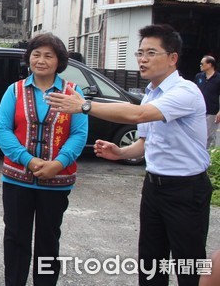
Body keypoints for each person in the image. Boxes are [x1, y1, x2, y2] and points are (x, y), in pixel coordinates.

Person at [47, 24, 212, 286]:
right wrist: (121, 151)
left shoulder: (185, 92)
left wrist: (84, 106)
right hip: (154, 187)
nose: (142, 59)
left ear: (172, 58)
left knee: (187, 263)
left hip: (186, 189)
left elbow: (139, 115)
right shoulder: (151, 93)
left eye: (151, 53)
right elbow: (146, 142)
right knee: (150, 260)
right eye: (139, 53)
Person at [0, 33, 88, 285]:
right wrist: (28, 160)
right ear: (29, 58)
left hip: (57, 181)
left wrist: (58, 163)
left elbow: (79, 133)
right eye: (36, 54)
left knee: (48, 238)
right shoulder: (14, 91)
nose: (41, 60)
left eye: (49, 55)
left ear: (59, 61)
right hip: (17, 179)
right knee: (15, 237)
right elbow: (2, 130)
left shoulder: (73, 92)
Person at [195, 55, 220, 149]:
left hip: (211, 111)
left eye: (202, 63)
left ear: (210, 64)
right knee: (197, 135)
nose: (200, 65)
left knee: (209, 136)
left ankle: (209, 158)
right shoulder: (198, 76)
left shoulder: (218, 78)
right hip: (198, 111)